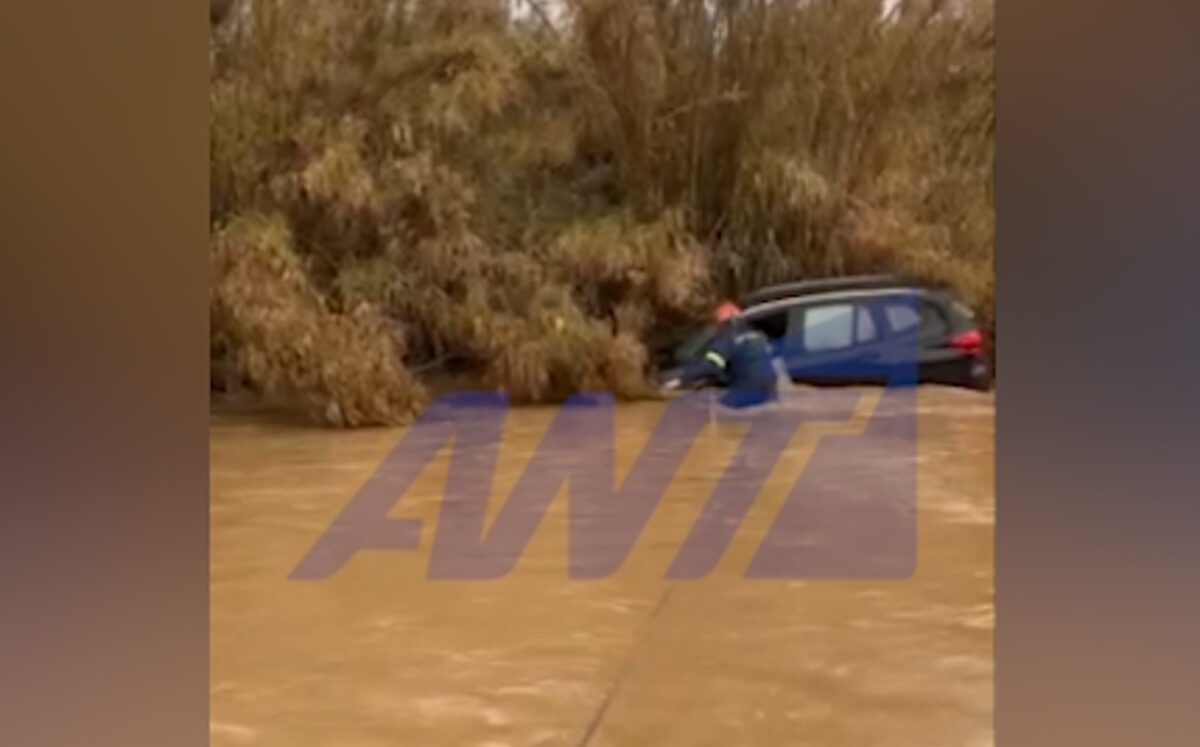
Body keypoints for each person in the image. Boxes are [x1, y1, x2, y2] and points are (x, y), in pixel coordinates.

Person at [674, 300, 780, 409]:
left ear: (726, 322)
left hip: (745, 394)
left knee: (712, 409)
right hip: (768, 394)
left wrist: (682, 377)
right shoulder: (758, 336)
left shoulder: (728, 338)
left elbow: (710, 366)